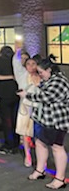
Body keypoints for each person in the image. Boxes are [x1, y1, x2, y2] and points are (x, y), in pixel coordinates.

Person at [19, 57, 69, 190]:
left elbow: (45, 97)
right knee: (40, 143)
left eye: (41, 72)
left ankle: (60, 179)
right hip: (44, 119)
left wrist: (27, 95)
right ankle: (40, 170)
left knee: (57, 147)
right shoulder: (50, 79)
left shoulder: (59, 81)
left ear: (49, 70)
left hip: (56, 121)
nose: (39, 74)